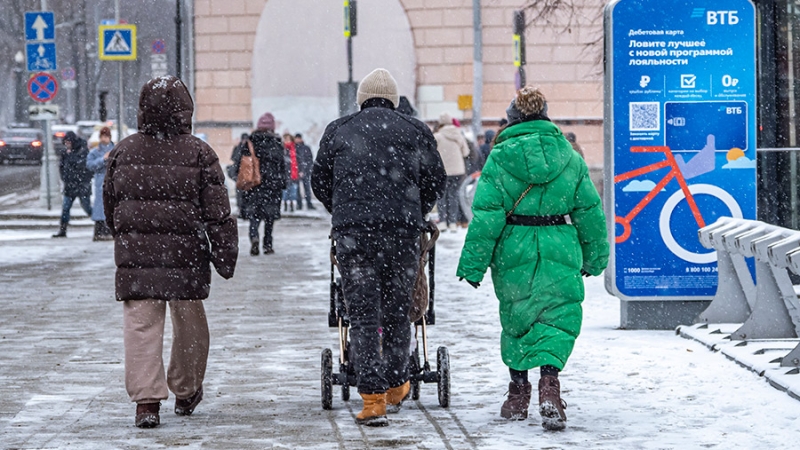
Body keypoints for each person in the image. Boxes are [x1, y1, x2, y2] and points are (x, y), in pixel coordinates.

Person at [456, 86, 608, 431]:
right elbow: (589, 210)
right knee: (558, 316)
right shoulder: (568, 156)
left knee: (517, 315)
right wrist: (596, 256)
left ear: (513, 119)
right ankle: (550, 386)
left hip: (514, 244)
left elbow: (487, 216)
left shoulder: (499, 157)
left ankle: (518, 390)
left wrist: (473, 263)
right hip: (560, 243)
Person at [312, 68, 446, 427]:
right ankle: (397, 383)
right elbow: (436, 179)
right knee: (398, 310)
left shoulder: (339, 130)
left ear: (361, 100)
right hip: (401, 233)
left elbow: (319, 180)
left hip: (354, 235)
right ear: (394, 100)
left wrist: (343, 210)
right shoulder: (416, 130)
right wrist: (416, 210)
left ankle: (372, 400)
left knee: (363, 314)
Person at [103, 75, 239, 428]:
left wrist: (127, 234)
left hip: (136, 254)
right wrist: (225, 254)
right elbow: (217, 211)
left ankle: (146, 402)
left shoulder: (124, 151)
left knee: (141, 325)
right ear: (185, 112)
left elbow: (110, 207)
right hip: (185, 255)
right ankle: (186, 388)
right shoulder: (198, 152)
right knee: (190, 323)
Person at [232, 113, 286, 256]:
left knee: (254, 216)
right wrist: (282, 183)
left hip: (254, 185)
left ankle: (254, 237)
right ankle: (267, 244)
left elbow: (239, 163)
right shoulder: (277, 143)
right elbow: (282, 166)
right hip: (272, 186)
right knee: (269, 218)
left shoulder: (250, 142)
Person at [52, 131, 93, 238]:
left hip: (81, 184)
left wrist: (83, 180)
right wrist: (65, 178)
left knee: (86, 207)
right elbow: (62, 166)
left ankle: (101, 224)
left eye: (68, 142)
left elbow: (85, 166)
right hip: (70, 185)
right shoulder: (66, 152)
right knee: (66, 208)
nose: (67, 144)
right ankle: (63, 230)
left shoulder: (82, 150)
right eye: (66, 142)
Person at [434, 112, 470, 232]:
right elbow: (466, 152)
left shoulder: (438, 136)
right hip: (458, 170)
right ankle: (453, 222)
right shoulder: (458, 135)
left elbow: (432, 153)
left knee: (441, 196)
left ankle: (443, 222)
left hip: (442, 170)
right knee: (453, 195)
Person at [85, 127, 115, 241]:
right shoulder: (95, 151)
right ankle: (100, 231)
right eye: (102, 136)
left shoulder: (114, 149)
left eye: (106, 136)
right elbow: (90, 165)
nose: (104, 139)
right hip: (100, 181)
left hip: (112, 181)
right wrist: (103, 159)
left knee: (111, 205)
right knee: (100, 206)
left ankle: (109, 230)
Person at [227, 133, 250, 217]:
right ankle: (242, 210)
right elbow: (235, 159)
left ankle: (243, 210)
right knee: (241, 194)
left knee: (243, 194)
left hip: (244, 174)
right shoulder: (240, 148)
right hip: (241, 174)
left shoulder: (243, 148)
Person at [293, 133, 315, 210]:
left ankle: (309, 203)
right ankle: (299, 204)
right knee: (297, 190)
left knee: (307, 189)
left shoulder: (306, 148)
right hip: (296, 172)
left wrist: (306, 170)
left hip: (305, 171)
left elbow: (309, 160)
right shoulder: (293, 148)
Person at [282, 133, 300, 212]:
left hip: (293, 173)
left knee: (293, 191)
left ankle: (292, 205)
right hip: (284, 173)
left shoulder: (295, 149)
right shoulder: (282, 149)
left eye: (288, 139)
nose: (287, 141)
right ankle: (285, 205)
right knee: (285, 191)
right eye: (285, 139)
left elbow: (299, 160)